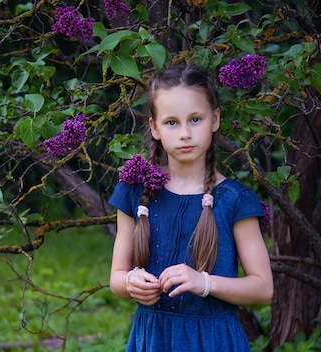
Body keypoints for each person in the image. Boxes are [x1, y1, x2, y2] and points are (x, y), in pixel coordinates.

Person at [108, 65, 273, 351]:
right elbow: (117, 278)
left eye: (195, 119)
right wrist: (132, 281)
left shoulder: (234, 199)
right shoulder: (134, 192)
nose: (185, 133)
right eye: (172, 122)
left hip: (213, 341)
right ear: (154, 127)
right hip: (153, 339)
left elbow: (262, 289)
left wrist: (204, 283)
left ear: (215, 119)